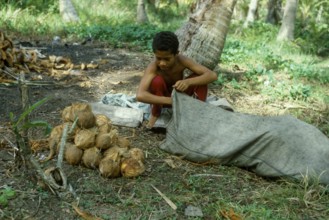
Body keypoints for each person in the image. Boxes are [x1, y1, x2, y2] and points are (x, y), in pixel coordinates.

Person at [136, 31, 217, 128]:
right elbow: (140, 95)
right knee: (156, 81)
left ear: (176, 54)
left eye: (167, 59)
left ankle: (197, 114)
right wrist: (170, 101)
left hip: (180, 96)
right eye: (158, 58)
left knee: (200, 78)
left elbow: (212, 75)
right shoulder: (153, 67)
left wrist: (187, 82)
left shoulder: (182, 61)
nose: (162, 63)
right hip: (162, 100)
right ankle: (155, 115)